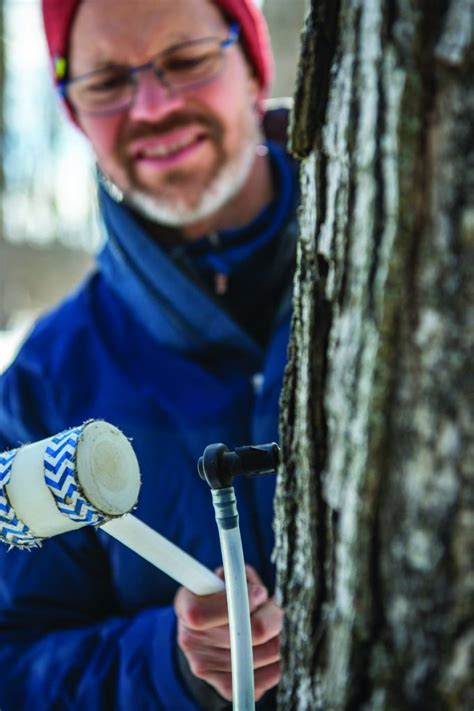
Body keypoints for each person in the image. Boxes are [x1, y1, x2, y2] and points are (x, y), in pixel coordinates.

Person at [0, 0, 298, 708]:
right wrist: (169, 666)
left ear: (252, 67)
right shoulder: (44, 390)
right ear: (73, 108)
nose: (154, 106)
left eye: (188, 60)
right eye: (107, 83)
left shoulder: (424, 283)